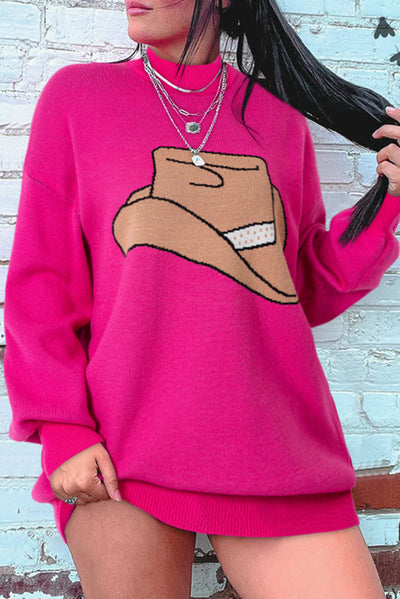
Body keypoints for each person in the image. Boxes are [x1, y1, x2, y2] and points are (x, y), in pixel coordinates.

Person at [3, 0, 400, 597]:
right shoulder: (79, 98)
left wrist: (389, 201)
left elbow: (300, 289)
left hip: (274, 446)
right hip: (121, 454)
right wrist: (62, 428)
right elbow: (42, 284)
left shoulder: (278, 119)